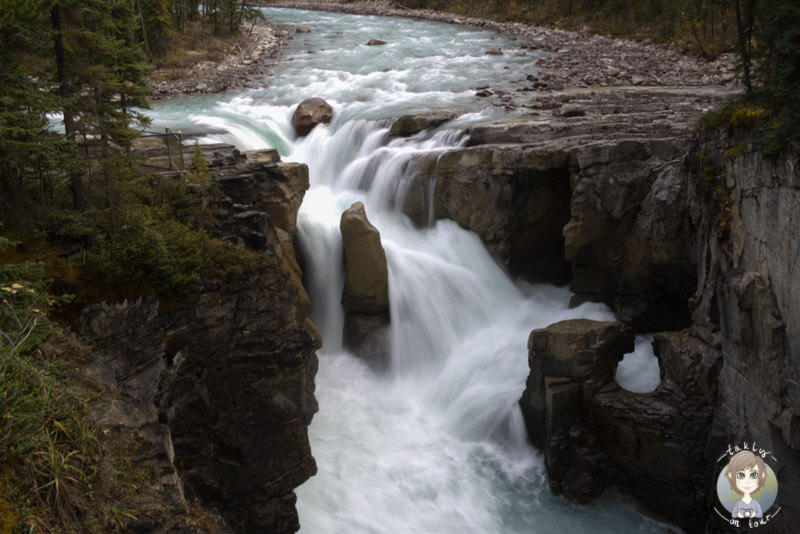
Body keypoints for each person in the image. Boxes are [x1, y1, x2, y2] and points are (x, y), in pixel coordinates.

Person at [725, 450, 767, 519]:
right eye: (741, 475)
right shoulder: (738, 503)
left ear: (762, 476)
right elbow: (733, 515)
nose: (747, 481)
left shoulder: (755, 503)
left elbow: (760, 514)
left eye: (753, 475)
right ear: (731, 476)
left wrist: (753, 514)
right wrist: (739, 514)